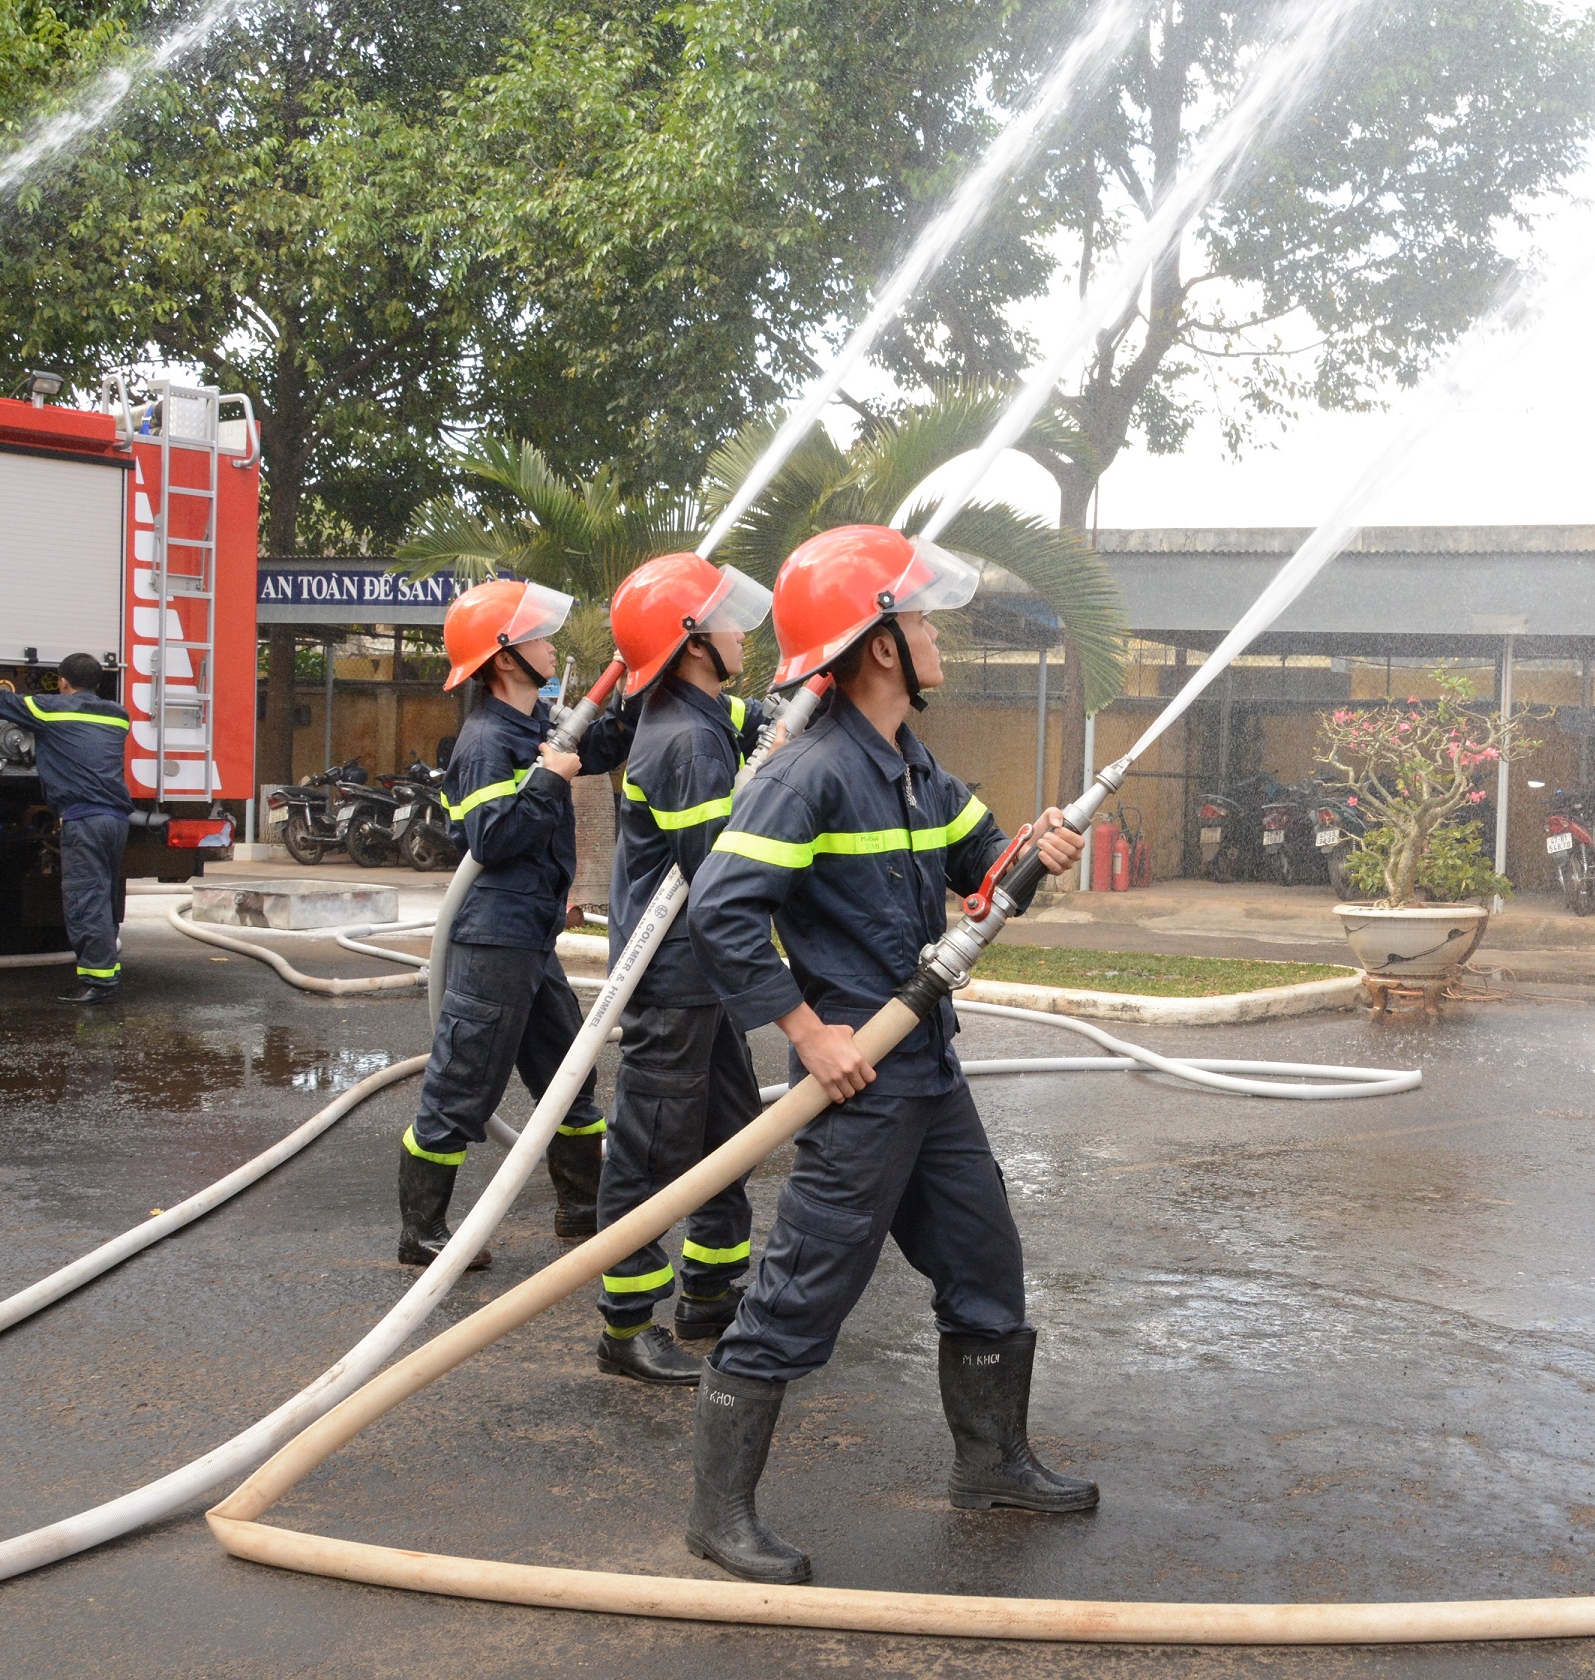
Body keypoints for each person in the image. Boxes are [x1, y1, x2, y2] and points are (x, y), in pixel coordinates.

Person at [679, 524, 1089, 1585]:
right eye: (917, 616)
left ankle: (991, 1464)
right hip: (861, 1079)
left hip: (928, 1069)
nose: (933, 630)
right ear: (877, 646)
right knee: (803, 1294)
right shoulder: (810, 773)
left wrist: (1033, 852)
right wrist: (809, 1032)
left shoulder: (911, 766)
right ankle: (718, 1516)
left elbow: (980, 867)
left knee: (985, 1262)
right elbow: (722, 910)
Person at [396, 579, 630, 1272]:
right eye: (539, 636)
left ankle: (580, 1210)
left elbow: (602, 742)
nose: (552, 645)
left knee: (570, 1074)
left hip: (530, 939)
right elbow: (493, 839)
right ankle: (423, 1234)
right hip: (492, 940)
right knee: (461, 1088)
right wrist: (552, 779)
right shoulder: (486, 741)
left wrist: (645, 687)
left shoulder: (539, 725)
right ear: (504, 659)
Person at [591, 551, 784, 1385]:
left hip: (699, 978)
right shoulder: (685, 745)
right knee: (650, 1148)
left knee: (729, 1134)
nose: (743, 632)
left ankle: (710, 1289)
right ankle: (627, 1323)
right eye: (728, 621)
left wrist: (776, 723)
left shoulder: (694, 716)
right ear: (694, 641)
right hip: (674, 979)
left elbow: (744, 722)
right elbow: (719, 869)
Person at [0, 654, 132, 1005]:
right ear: (99, 684)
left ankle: (99, 982)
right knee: (103, 897)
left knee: (85, 898)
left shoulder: (51, 709)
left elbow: (3, 700)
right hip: (115, 820)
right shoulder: (118, 716)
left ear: (63, 682)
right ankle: (107, 969)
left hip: (84, 820)